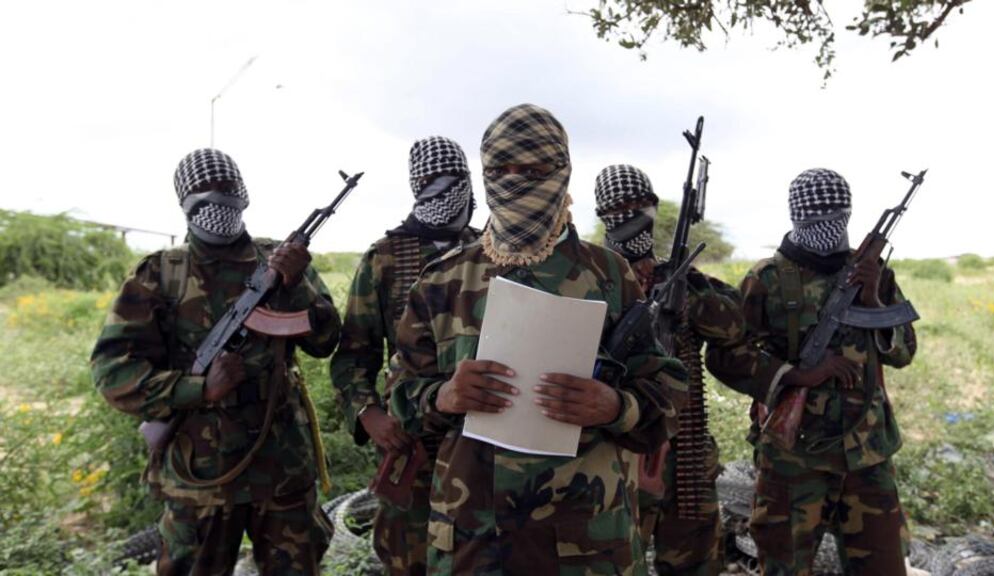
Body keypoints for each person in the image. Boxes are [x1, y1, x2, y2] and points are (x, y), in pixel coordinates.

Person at [390, 103, 684, 575]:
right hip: (472, 536)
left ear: (561, 172)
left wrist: (614, 406)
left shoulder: (609, 274)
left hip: (586, 539)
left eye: (533, 169)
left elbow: (666, 389)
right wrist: (443, 395)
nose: (516, 181)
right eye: (502, 169)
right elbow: (400, 394)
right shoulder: (442, 281)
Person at [91, 148, 341, 576]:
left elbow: (325, 340)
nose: (217, 201)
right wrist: (198, 389)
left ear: (243, 193)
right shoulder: (160, 274)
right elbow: (113, 373)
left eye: (226, 189)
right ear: (183, 203)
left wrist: (295, 283)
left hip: (281, 468)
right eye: (202, 194)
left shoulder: (279, 261)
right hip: (200, 477)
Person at [706, 168, 917, 576]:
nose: (829, 230)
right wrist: (796, 375)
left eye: (837, 219)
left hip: (867, 453)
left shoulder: (872, 274)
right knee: (784, 567)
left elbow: (904, 353)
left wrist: (873, 300)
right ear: (796, 218)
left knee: (884, 566)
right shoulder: (765, 279)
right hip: (794, 458)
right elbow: (726, 356)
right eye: (817, 222)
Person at [331, 135, 480, 575]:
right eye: (433, 183)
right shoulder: (384, 260)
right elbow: (353, 356)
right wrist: (369, 414)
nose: (445, 193)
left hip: (481, 442)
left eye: (453, 182)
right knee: (409, 559)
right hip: (413, 444)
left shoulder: (491, 251)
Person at [595, 164, 744, 576]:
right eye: (620, 207)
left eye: (640, 205)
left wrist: (682, 296)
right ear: (603, 214)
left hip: (686, 453)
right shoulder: (587, 277)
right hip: (613, 451)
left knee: (696, 563)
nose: (631, 214)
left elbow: (734, 324)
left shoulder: (681, 279)